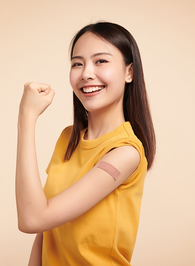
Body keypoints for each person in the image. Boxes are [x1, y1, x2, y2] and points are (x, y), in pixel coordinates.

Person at [16, 21, 156, 266]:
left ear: (129, 72)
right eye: (77, 63)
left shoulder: (125, 153)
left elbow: (32, 219)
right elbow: (45, 232)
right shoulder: (68, 139)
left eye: (100, 61)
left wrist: (26, 119)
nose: (86, 73)